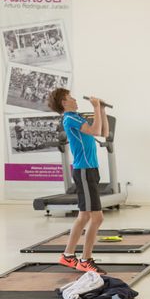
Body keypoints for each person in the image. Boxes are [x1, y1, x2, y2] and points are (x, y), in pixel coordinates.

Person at [47, 88, 109, 274]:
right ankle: (86, 259)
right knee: (97, 217)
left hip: (89, 170)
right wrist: (96, 107)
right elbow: (96, 129)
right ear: (64, 103)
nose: (74, 100)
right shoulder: (70, 118)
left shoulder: (77, 117)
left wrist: (102, 110)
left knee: (84, 216)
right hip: (84, 171)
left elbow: (103, 132)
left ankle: (68, 255)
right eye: (70, 98)